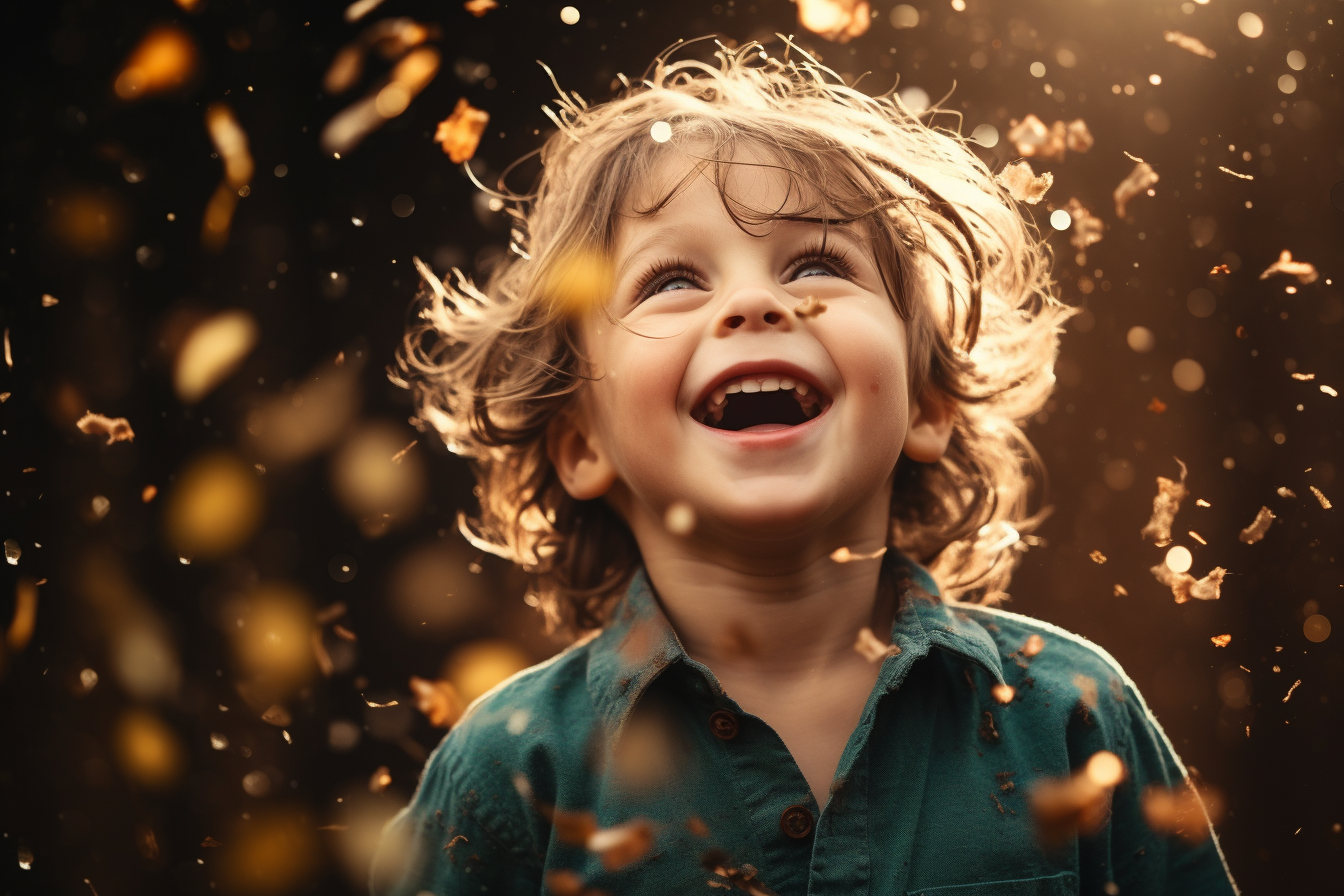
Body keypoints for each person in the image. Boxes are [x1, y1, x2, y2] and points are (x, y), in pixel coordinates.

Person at [371, 39, 1238, 896]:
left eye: (819, 264)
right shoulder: (515, 775)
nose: (754, 302)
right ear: (582, 443)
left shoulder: (1073, 720)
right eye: (671, 279)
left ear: (927, 403)